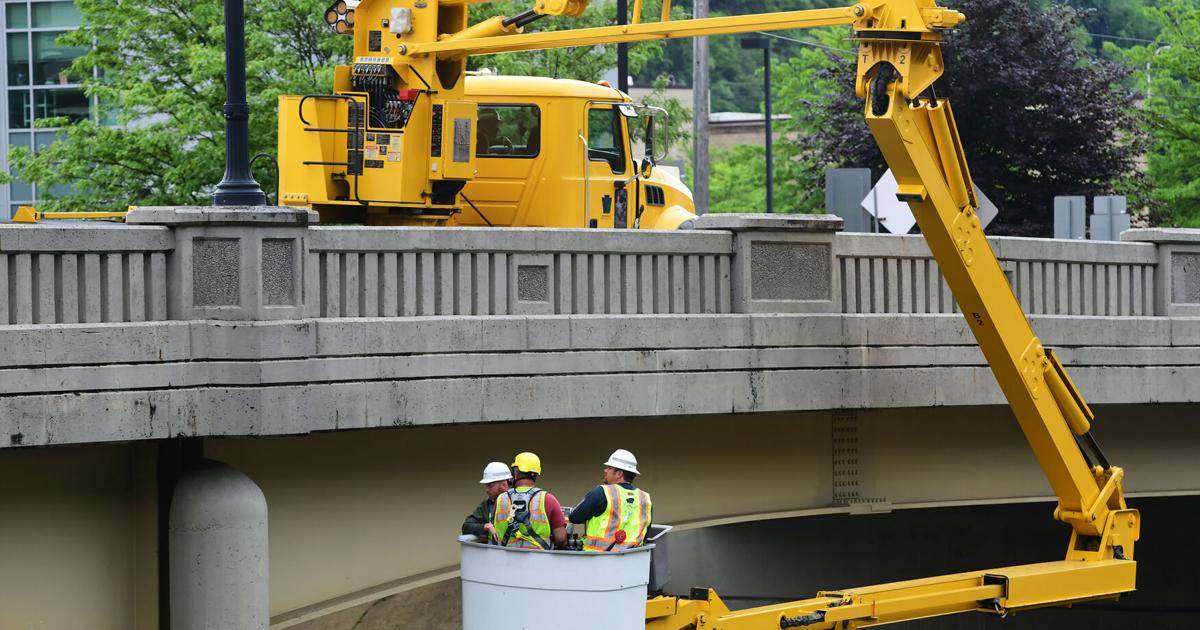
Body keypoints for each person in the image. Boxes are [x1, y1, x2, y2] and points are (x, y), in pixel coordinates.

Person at [569, 448, 652, 552]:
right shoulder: (645, 498)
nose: (605, 471)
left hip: (598, 558)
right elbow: (645, 534)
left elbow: (574, 517)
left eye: (609, 468)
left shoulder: (601, 492)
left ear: (619, 474)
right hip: (633, 559)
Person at [492, 452, 568, 550]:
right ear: (535, 474)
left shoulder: (500, 500)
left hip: (504, 558)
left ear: (515, 472)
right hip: (539, 558)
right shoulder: (548, 499)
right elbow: (561, 539)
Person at [463, 461, 511, 540]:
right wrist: (485, 526)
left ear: (504, 485)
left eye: (490, 486)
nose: (486, 490)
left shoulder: (519, 502)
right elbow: (466, 526)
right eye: (486, 485)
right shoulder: (486, 505)